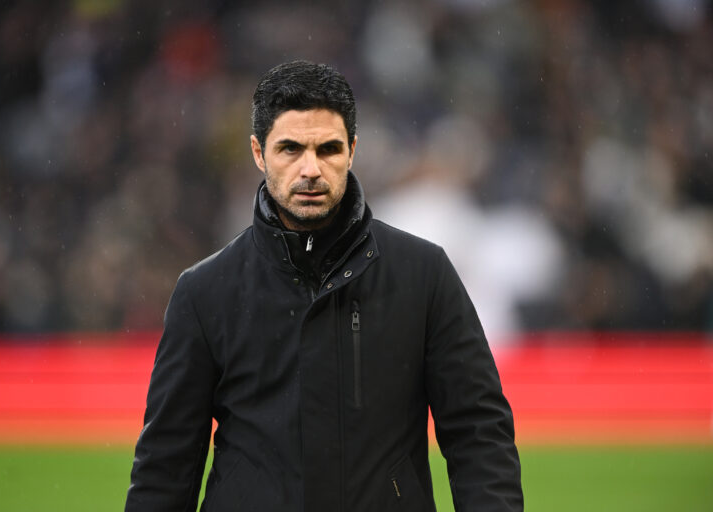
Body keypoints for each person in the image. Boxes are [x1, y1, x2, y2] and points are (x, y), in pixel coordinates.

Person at [125, 60, 523, 512]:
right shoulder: (205, 292)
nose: (310, 169)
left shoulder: (424, 274)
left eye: (328, 149)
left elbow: (478, 433)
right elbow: (166, 464)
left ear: (352, 150)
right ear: (259, 153)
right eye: (290, 149)